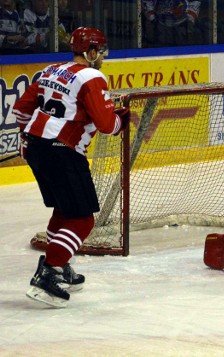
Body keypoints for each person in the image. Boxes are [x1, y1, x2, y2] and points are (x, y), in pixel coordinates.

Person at [12, 27, 130, 308]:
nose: (102, 56)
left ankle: (59, 263)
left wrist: (28, 137)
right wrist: (121, 119)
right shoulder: (92, 76)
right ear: (90, 52)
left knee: (65, 211)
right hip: (63, 151)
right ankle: (50, 272)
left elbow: (20, 111)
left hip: (38, 148)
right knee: (82, 220)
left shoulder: (51, 70)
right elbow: (105, 125)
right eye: (100, 51)